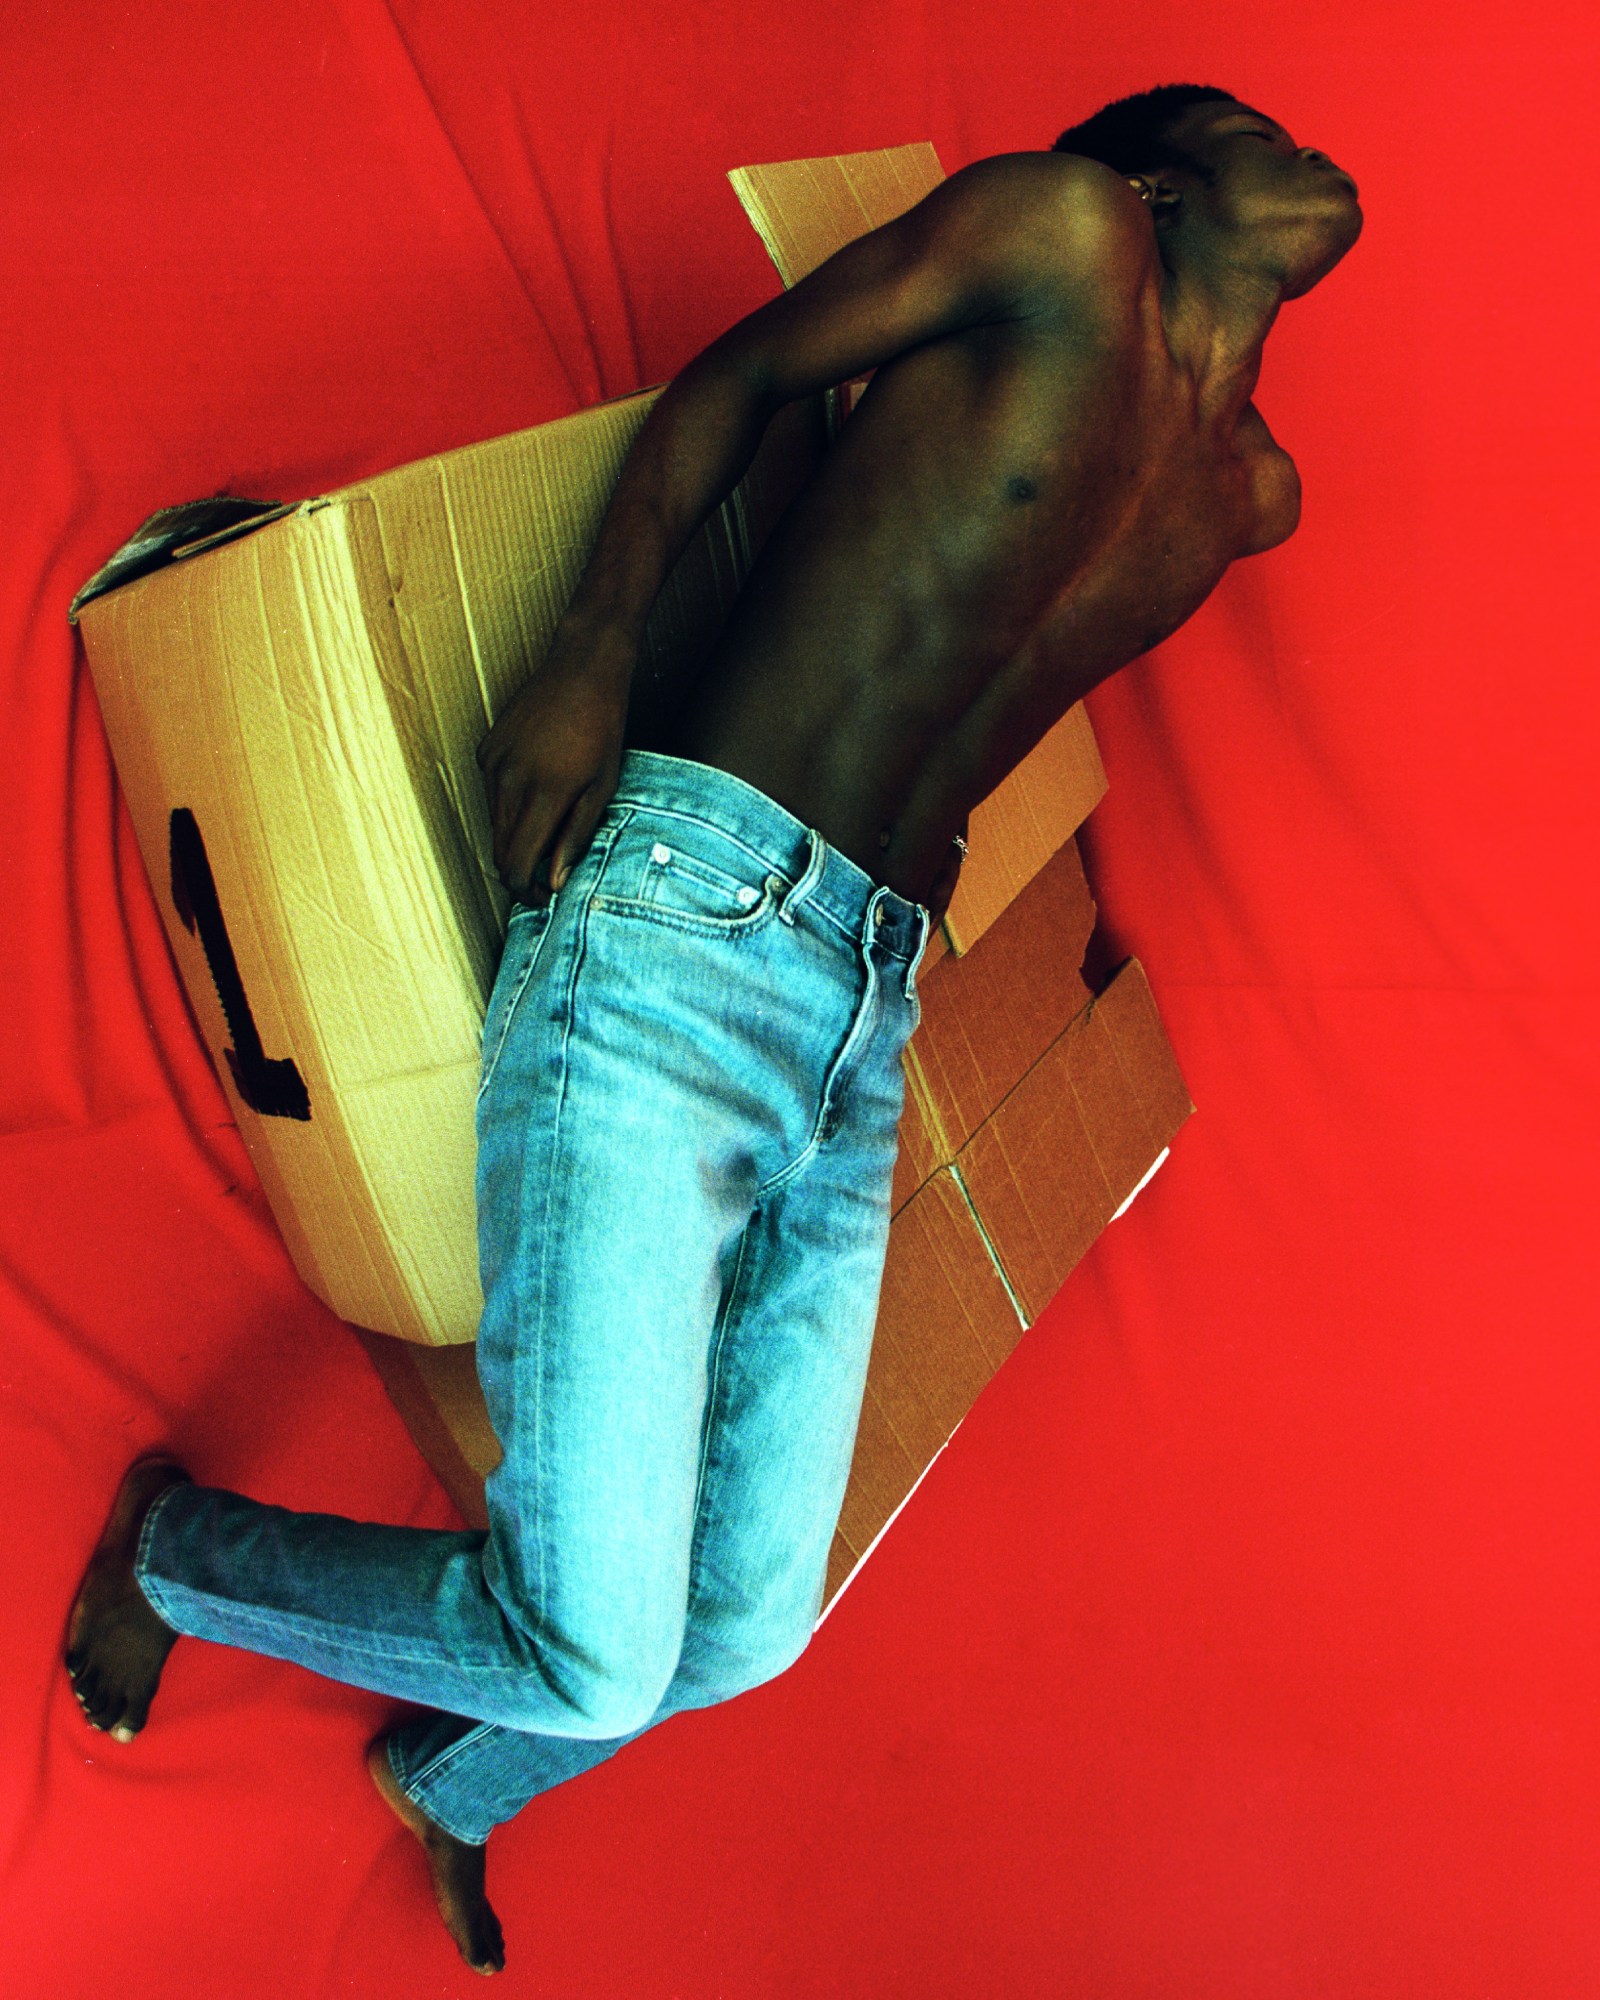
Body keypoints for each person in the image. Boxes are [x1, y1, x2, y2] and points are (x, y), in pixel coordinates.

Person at [64, 84, 1362, 1975]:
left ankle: (456, 1776)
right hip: (692, 902)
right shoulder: (1069, 240)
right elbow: (741, 382)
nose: (1314, 148)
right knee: (595, 1649)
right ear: (1164, 180)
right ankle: (180, 1556)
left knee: (747, 1630)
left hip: (864, 1004)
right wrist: (592, 652)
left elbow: (992, 662)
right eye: (1262, 128)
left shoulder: (1246, 493)